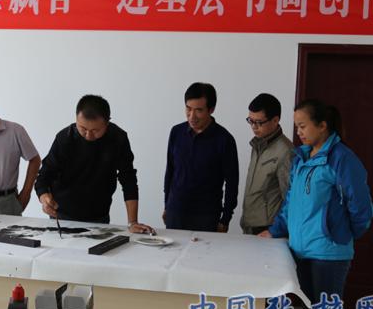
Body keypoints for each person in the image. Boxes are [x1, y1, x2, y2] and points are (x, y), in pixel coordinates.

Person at [259, 99, 373, 309]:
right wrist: (275, 230)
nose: (298, 132)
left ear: (322, 126)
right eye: (296, 126)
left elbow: (362, 208)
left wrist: (341, 233)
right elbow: (291, 203)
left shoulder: (342, 159)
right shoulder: (302, 157)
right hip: (300, 251)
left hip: (328, 255)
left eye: (303, 126)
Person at [35, 95, 154, 234]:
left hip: (99, 215)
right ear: (76, 119)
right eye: (83, 128)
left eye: (95, 131)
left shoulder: (117, 138)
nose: (88, 135)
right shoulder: (65, 138)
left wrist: (132, 222)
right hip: (62, 214)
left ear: (107, 123)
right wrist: (44, 198)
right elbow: (44, 176)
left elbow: (128, 179)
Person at [163, 82, 239, 232]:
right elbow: (170, 171)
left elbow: (232, 183)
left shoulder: (224, 139)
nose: (192, 116)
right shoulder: (176, 132)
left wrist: (225, 219)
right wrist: (167, 205)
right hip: (176, 212)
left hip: (206, 217)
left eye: (198, 110)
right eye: (188, 108)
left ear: (211, 109)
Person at [241, 93, 294, 236]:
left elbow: (291, 198)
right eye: (250, 121)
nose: (253, 127)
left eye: (259, 122)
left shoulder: (286, 151)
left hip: (268, 228)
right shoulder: (257, 145)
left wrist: (275, 230)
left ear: (275, 120)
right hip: (250, 224)